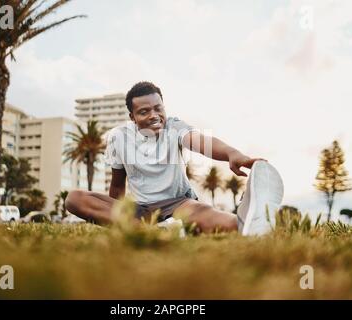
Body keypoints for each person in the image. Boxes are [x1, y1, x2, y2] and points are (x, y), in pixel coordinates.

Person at [65, 81, 283, 235]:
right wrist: (113, 215)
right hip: (139, 211)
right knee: (74, 198)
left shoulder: (174, 126)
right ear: (132, 117)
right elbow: (117, 185)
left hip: (179, 204)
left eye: (158, 108)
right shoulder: (118, 138)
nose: (153, 115)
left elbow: (200, 141)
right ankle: (158, 231)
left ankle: (248, 221)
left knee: (209, 217)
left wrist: (232, 154)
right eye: (144, 112)